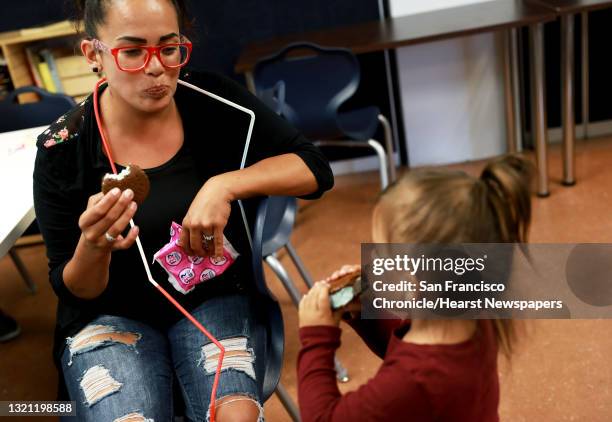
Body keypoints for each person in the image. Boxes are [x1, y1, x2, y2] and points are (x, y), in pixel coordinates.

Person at [33, 0, 333, 421]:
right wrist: (93, 245)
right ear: (93, 55)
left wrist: (224, 184)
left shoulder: (212, 101)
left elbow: (315, 169)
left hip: (212, 297)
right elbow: (75, 290)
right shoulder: (62, 148)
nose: (156, 68)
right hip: (108, 315)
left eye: (169, 48)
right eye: (133, 51)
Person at [297, 155, 533, 421]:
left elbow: (322, 418)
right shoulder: (474, 315)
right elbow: (407, 349)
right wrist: (366, 312)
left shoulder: (411, 380)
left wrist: (316, 338)